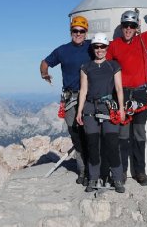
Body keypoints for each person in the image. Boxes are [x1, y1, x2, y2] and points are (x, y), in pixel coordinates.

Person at [106, 0, 147, 186]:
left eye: (132, 26)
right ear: (122, 26)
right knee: (123, 136)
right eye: (125, 26)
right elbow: (105, 67)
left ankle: (140, 172)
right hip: (122, 94)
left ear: (136, 28)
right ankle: (122, 172)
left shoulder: (143, 40)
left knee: (139, 134)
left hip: (140, 94)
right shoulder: (114, 45)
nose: (128, 29)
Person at [40, 16, 92, 185]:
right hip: (70, 98)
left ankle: (93, 170)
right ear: (71, 32)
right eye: (75, 31)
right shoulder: (62, 50)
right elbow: (45, 62)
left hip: (89, 96)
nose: (78, 34)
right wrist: (44, 73)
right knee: (76, 135)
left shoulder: (93, 46)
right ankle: (83, 170)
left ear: (86, 32)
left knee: (90, 134)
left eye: (81, 31)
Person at [76, 33, 126, 193]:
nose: (99, 50)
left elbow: (119, 88)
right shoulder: (86, 67)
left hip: (108, 107)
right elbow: (83, 90)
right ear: (93, 48)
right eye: (96, 47)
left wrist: (121, 109)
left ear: (106, 48)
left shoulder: (113, 66)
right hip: (90, 108)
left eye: (102, 47)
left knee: (111, 144)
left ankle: (117, 178)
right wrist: (79, 111)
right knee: (92, 145)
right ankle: (93, 178)